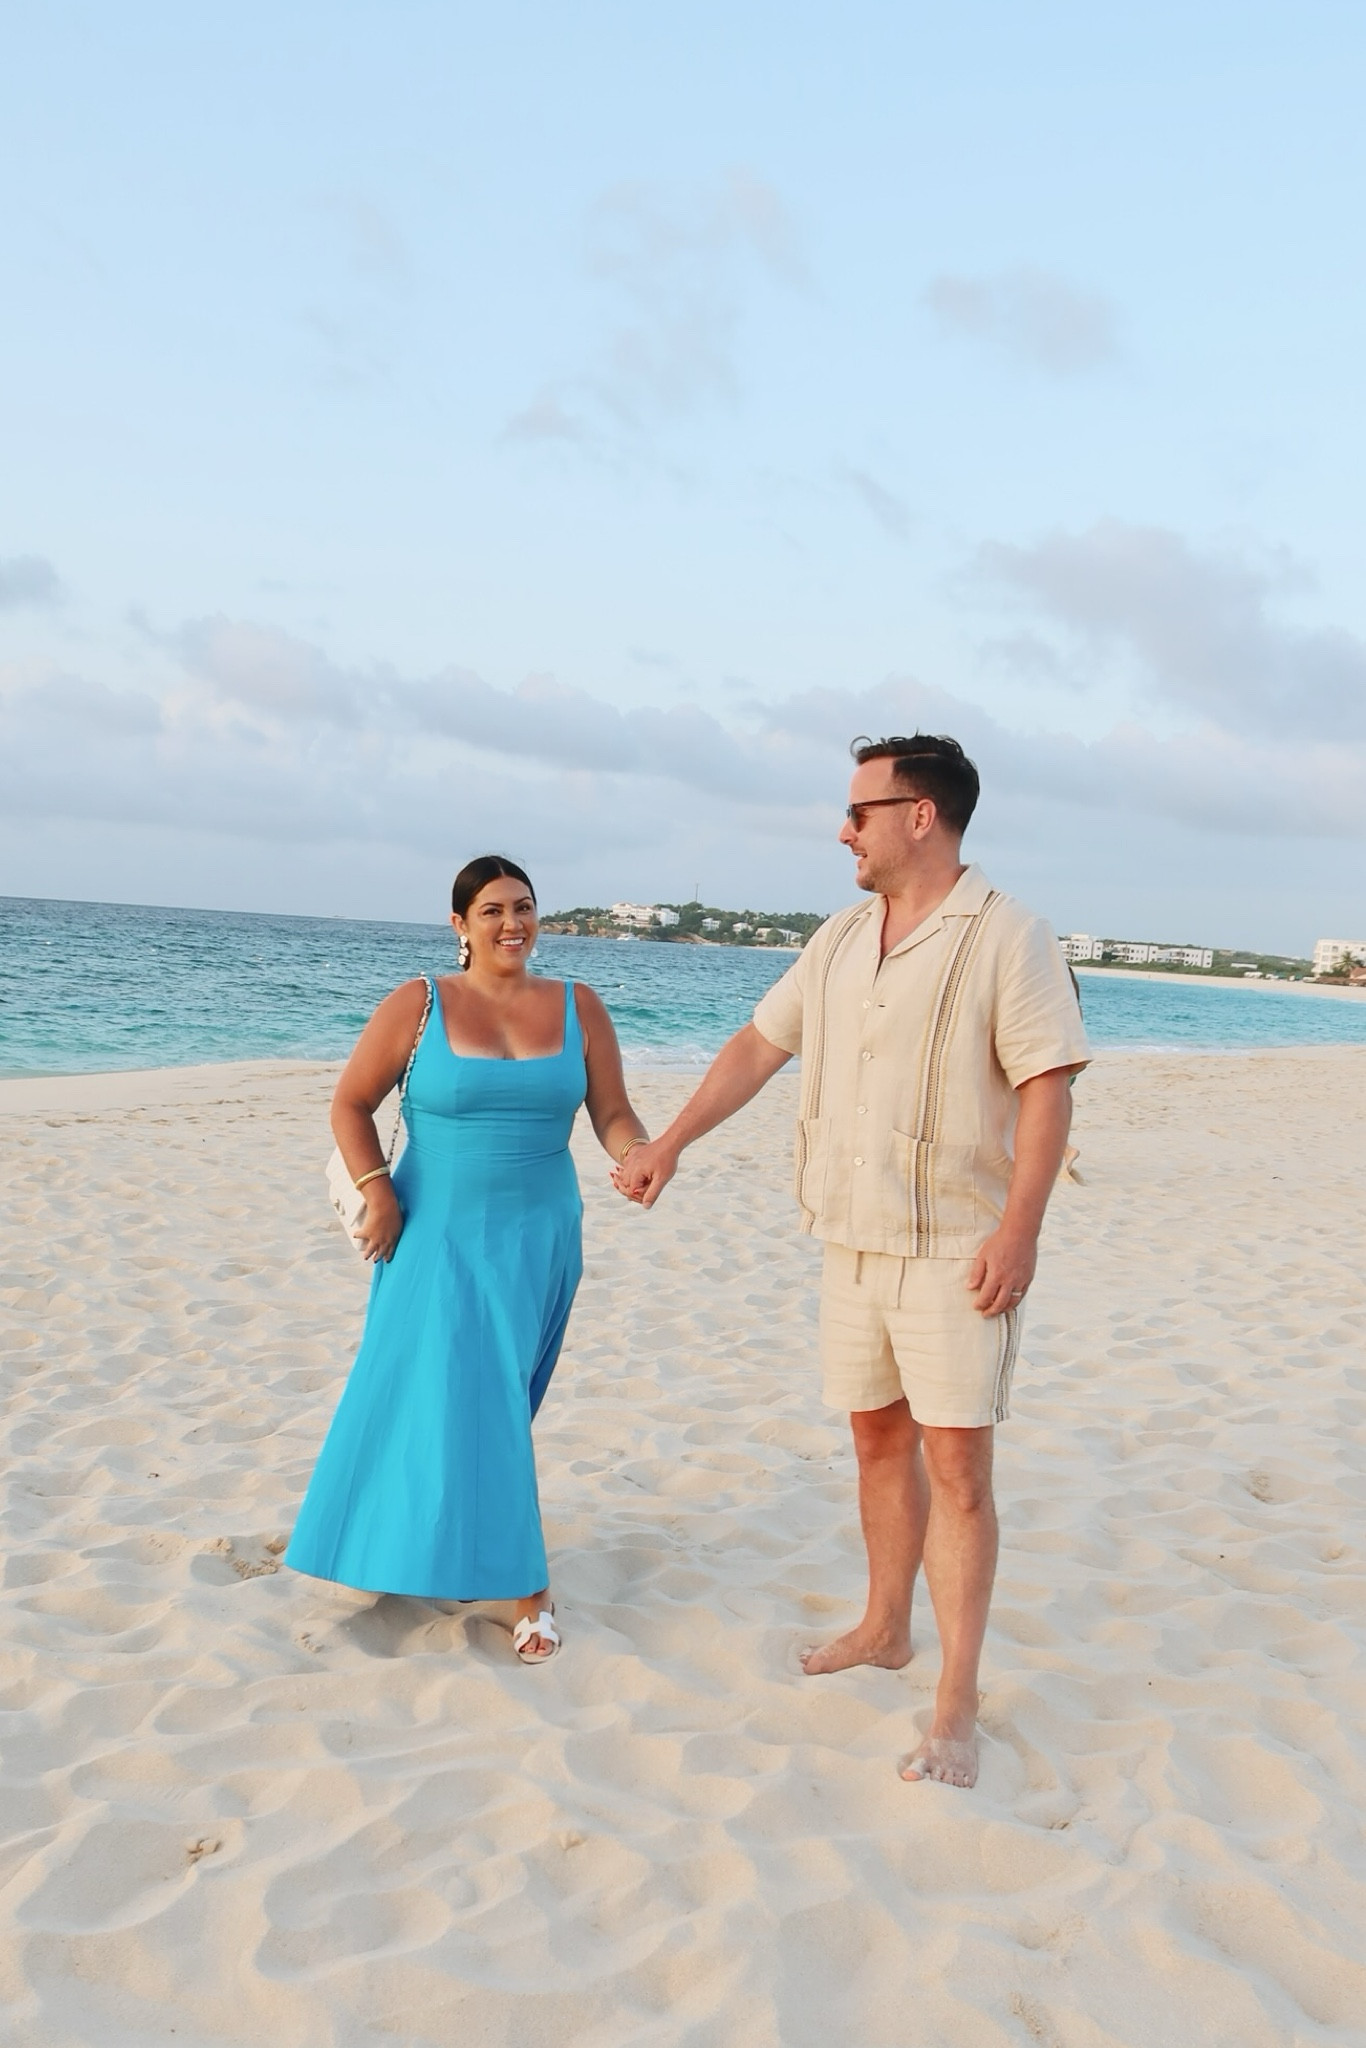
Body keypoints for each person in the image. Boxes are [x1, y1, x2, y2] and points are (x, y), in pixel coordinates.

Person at [616, 736, 1090, 1784]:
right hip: (849, 1234)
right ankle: (884, 1625)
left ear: (920, 815)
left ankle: (955, 1700)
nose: (843, 832)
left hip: (957, 1246)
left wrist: (1020, 1230)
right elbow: (758, 1045)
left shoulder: (1009, 934)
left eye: (859, 812)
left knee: (957, 1472)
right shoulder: (837, 937)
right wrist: (670, 1142)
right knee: (875, 1440)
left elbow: (1046, 1088)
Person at [287, 855, 649, 1662]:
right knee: (436, 1394)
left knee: (497, 1398)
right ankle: (528, 1587)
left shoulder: (579, 1006)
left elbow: (612, 1112)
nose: (512, 924)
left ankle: (465, 1552)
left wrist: (637, 1154)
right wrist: (377, 1191)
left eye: (523, 907)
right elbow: (350, 1103)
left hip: (539, 1232)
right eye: (492, 910)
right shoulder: (418, 1003)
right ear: (459, 924)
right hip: (433, 1231)